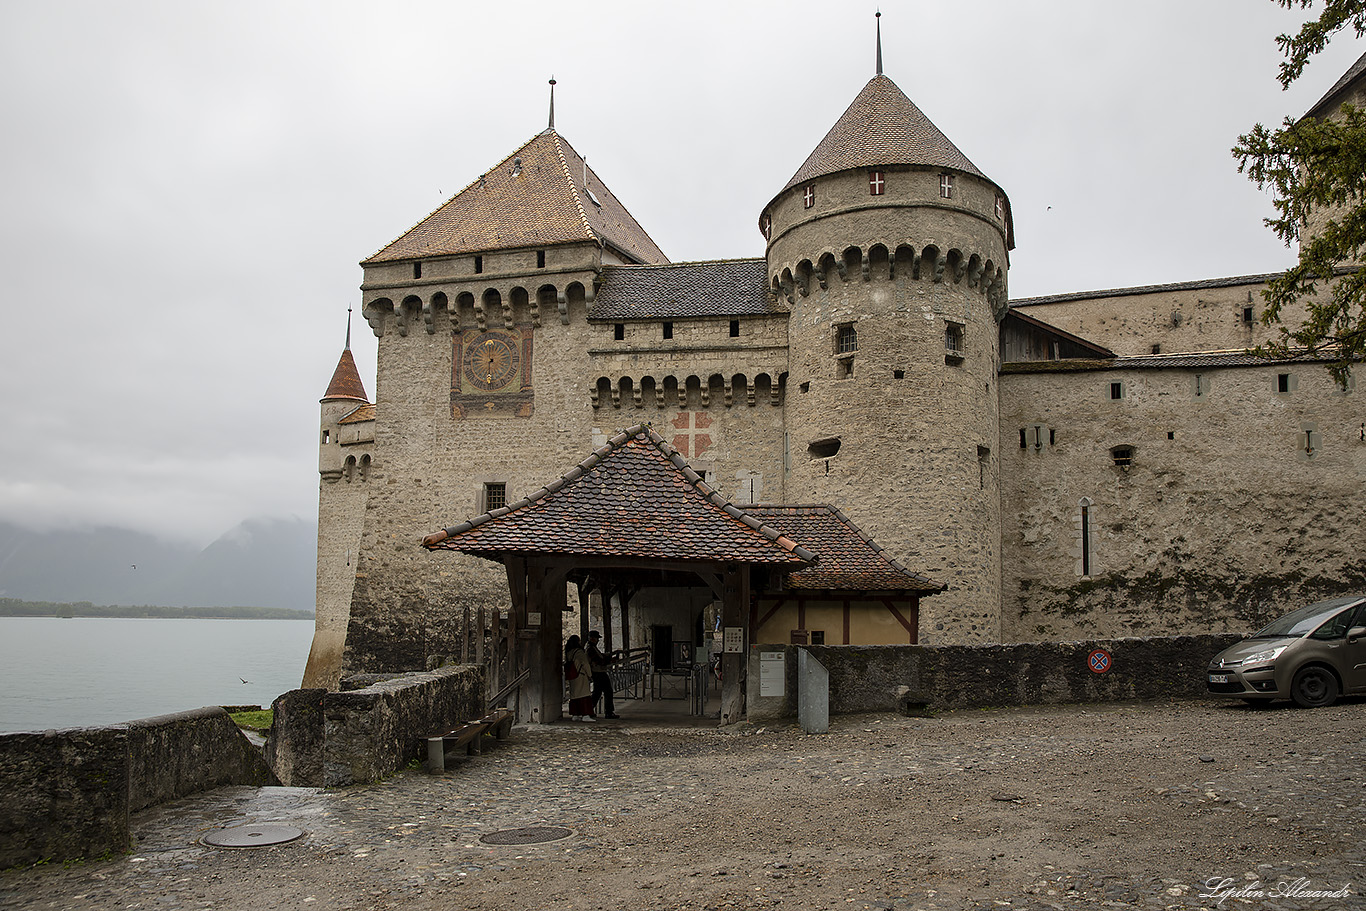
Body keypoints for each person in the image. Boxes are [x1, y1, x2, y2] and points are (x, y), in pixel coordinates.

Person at [586, 630, 621, 719]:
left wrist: (608, 656)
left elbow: (601, 656)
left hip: (598, 672)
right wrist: (610, 660)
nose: (598, 640)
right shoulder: (590, 649)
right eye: (597, 638)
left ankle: (590, 710)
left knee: (598, 692)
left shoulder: (592, 648)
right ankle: (607, 712)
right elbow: (599, 660)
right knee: (605, 691)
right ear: (592, 639)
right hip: (598, 672)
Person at [564, 635, 595, 721]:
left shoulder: (568, 652)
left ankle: (575, 714)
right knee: (584, 695)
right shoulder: (579, 652)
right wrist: (590, 675)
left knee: (574, 695)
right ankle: (585, 714)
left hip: (572, 675)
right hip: (580, 675)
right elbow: (585, 664)